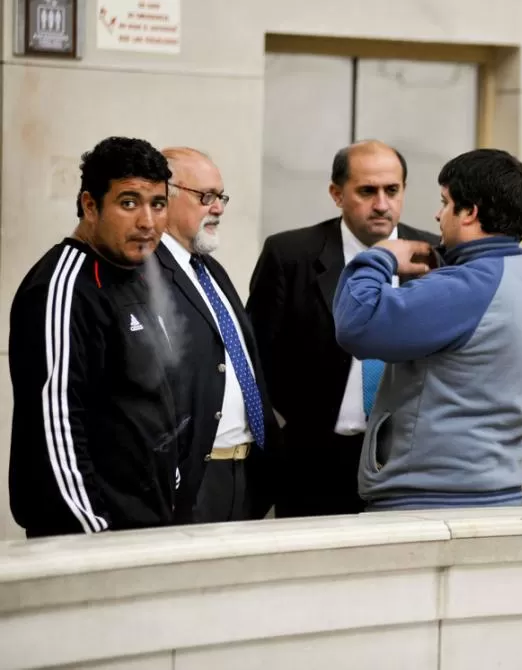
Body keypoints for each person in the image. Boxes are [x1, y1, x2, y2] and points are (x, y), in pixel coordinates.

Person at [333, 148, 522, 511]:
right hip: (497, 492)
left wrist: (383, 255)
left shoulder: (466, 286)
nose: (438, 214)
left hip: (430, 500)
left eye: (445, 202)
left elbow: (356, 324)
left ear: (470, 212)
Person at [246, 140, 438, 517]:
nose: (382, 204)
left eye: (392, 191)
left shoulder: (434, 254)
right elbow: (257, 358)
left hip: (408, 464)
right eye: (367, 191)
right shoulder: (291, 255)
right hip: (315, 464)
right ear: (337, 194)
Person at [8, 136, 184, 537]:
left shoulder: (133, 274)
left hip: (149, 526)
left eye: (158, 204)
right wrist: (93, 538)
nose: (148, 222)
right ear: (90, 206)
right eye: (128, 203)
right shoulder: (62, 286)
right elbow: (55, 424)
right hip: (92, 537)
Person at [154, 147, 279, 524]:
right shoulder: (147, 273)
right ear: (165, 198)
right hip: (192, 477)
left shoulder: (210, 270)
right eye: (205, 197)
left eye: (220, 197)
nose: (218, 208)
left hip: (242, 473)